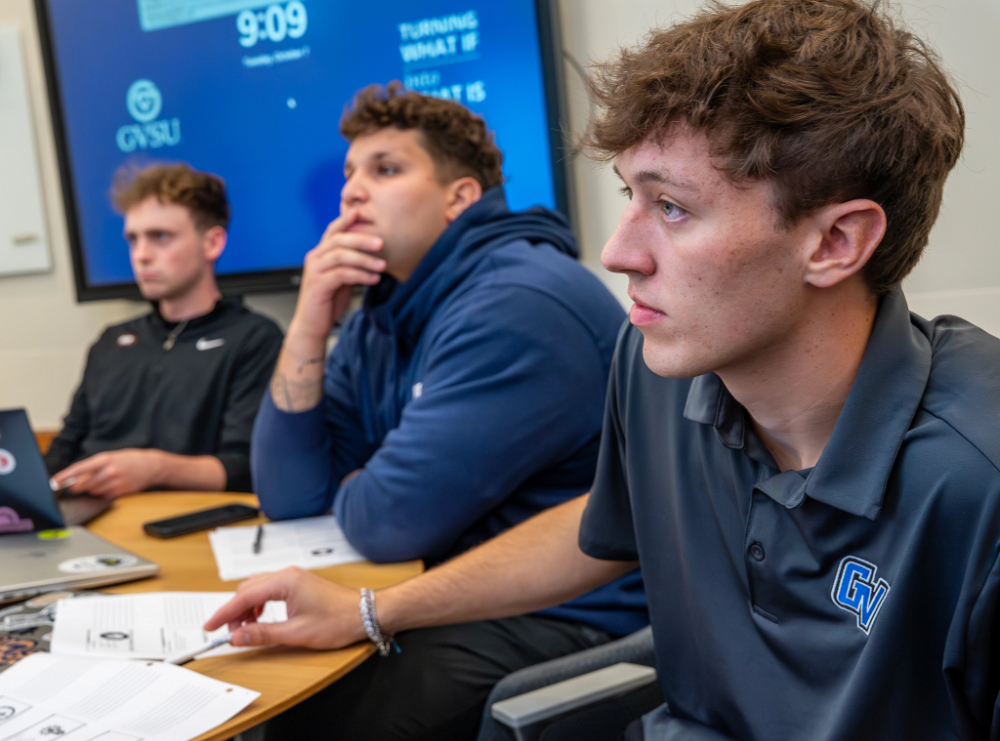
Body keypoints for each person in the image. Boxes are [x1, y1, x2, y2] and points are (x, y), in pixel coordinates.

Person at [208, 0, 1000, 738]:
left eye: (672, 207)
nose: (619, 253)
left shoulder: (978, 479)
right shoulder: (656, 362)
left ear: (833, 242)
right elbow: (600, 532)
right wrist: (372, 610)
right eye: (630, 196)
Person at [249, 83, 646, 738]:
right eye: (350, 173)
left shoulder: (519, 301)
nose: (351, 191)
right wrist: (308, 324)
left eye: (385, 169)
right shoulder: (378, 313)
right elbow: (291, 495)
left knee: (317, 721)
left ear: (460, 198)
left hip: (572, 615)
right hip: (448, 591)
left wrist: (356, 484)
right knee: (280, 686)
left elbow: (385, 521)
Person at [46, 163, 283, 497]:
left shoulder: (254, 339)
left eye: (160, 237)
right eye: (133, 239)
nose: (141, 255)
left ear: (212, 243)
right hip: (89, 516)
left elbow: (246, 468)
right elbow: (65, 448)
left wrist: (154, 469)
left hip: (186, 520)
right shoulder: (111, 341)